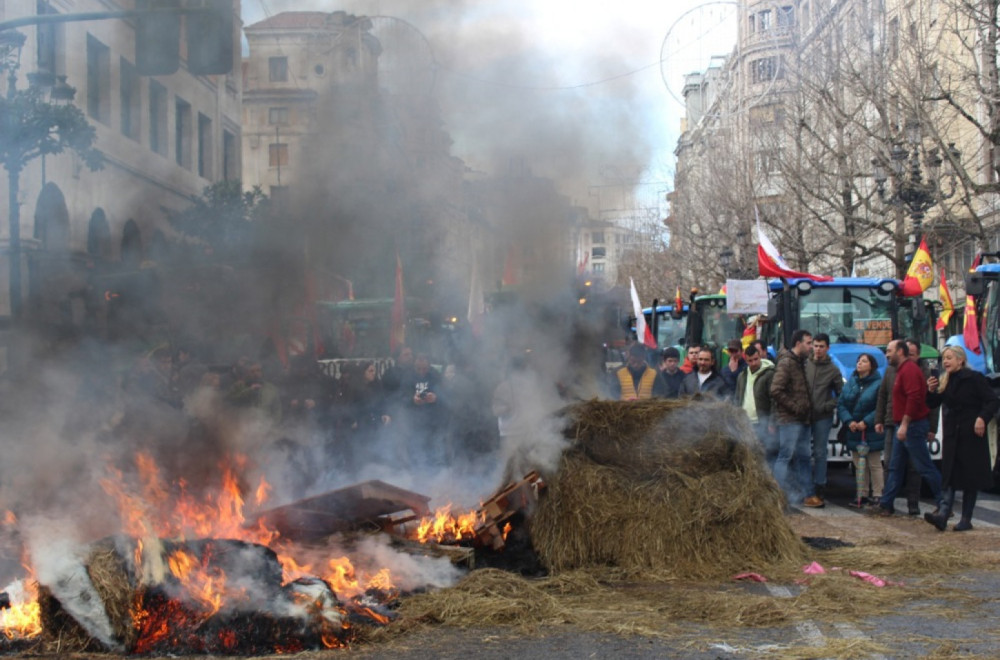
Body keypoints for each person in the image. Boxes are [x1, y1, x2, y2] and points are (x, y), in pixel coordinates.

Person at [924, 345, 1000, 531]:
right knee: (949, 475)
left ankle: (966, 519)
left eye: (950, 357)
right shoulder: (945, 380)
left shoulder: (974, 378)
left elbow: (992, 400)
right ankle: (943, 514)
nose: (946, 361)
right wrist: (931, 390)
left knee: (969, 477)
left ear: (961, 360)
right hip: (952, 434)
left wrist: (982, 418)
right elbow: (932, 404)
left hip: (971, 433)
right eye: (944, 358)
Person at [871, 340, 944, 520]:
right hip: (902, 426)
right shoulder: (899, 370)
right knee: (894, 467)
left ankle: (944, 502)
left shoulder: (909, 370)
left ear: (900, 352)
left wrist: (904, 425)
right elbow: (885, 396)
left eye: (889, 351)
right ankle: (886, 504)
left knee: (924, 466)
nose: (886, 354)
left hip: (912, 427)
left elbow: (914, 399)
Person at [769, 329, 813, 505]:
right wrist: (795, 407)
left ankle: (807, 493)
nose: (810, 347)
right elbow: (775, 389)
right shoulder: (787, 363)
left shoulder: (801, 362)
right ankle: (778, 493)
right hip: (790, 419)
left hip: (802, 418)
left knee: (803, 457)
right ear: (798, 343)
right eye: (808, 343)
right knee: (785, 455)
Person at [837, 353, 885, 507]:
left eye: (864, 361)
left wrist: (867, 422)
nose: (860, 364)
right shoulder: (851, 382)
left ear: (871, 365)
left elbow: (880, 406)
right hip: (854, 429)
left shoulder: (878, 383)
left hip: (870, 429)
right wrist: (849, 420)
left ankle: (878, 494)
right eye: (858, 361)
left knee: (874, 463)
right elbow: (841, 403)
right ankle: (862, 493)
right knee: (858, 464)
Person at [804, 333, 843, 508]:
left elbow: (842, 394)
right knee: (803, 452)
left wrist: (828, 405)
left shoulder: (833, 370)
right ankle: (805, 488)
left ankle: (820, 486)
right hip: (803, 415)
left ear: (827, 348)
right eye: (815, 345)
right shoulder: (804, 364)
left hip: (822, 417)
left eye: (821, 346)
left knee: (820, 453)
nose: (818, 349)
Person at [734, 344, 776, 467]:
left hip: (762, 422)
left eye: (756, 359)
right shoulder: (742, 375)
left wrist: (772, 422)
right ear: (745, 360)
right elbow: (737, 398)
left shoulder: (769, 374)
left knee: (765, 454)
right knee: (749, 453)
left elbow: (774, 400)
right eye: (750, 360)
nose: (753, 363)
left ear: (760, 357)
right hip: (746, 421)